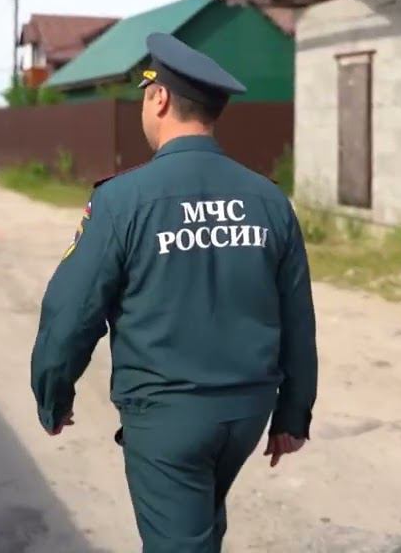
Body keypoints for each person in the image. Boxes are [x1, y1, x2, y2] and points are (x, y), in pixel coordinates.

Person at [30, 32, 318, 553]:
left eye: (145, 94)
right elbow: (297, 315)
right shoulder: (269, 199)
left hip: (167, 419)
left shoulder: (122, 200)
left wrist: (54, 394)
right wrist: (293, 414)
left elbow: (72, 310)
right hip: (247, 413)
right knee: (199, 526)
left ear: (159, 97)